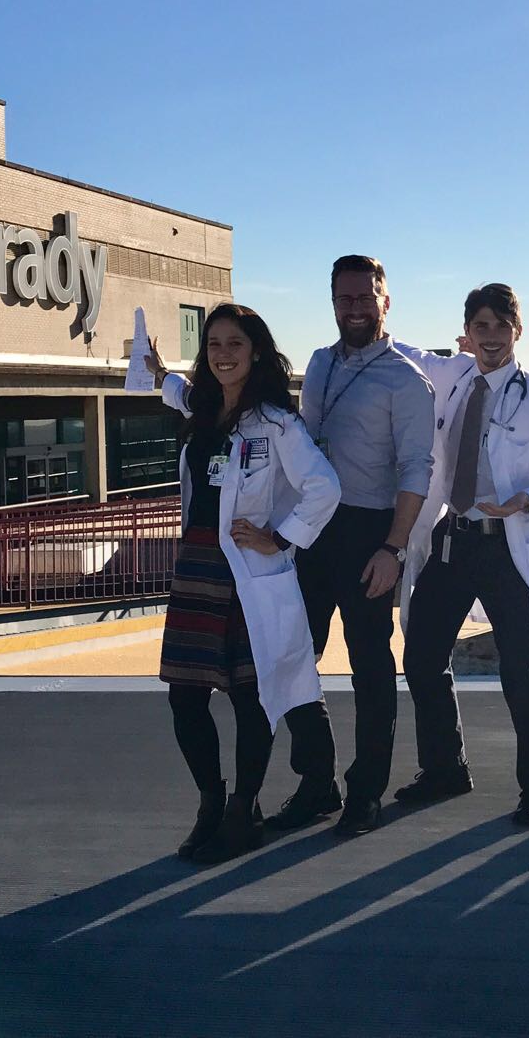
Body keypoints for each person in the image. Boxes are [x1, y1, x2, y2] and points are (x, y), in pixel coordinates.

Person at [152, 257, 435, 838]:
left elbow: (416, 470)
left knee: (369, 667)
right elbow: (227, 403)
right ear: (332, 303)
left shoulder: (407, 380)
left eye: (365, 297)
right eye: (344, 298)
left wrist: (393, 548)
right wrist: (164, 379)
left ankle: (366, 791)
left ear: (386, 300)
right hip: (306, 538)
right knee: (288, 662)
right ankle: (317, 783)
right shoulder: (321, 363)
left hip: (366, 532)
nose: (354, 308)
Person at [392, 284, 529, 825]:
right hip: (452, 541)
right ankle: (444, 768)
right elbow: (409, 354)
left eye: (501, 326)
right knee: (423, 658)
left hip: (509, 548)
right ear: (469, 332)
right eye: (481, 326)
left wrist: (527, 500)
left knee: (521, 672)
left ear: (517, 331)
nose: (491, 336)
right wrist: (376, 323)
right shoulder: (455, 378)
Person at [158, 304, 341, 863]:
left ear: (256, 350)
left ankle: (244, 807)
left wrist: (281, 537)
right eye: (213, 343)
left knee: (249, 696)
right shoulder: (203, 409)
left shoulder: (277, 423)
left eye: (234, 343)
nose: (223, 354)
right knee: (184, 695)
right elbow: (174, 390)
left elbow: (324, 487)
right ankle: (210, 802)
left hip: (247, 573)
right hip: (197, 565)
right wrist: (155, 369)